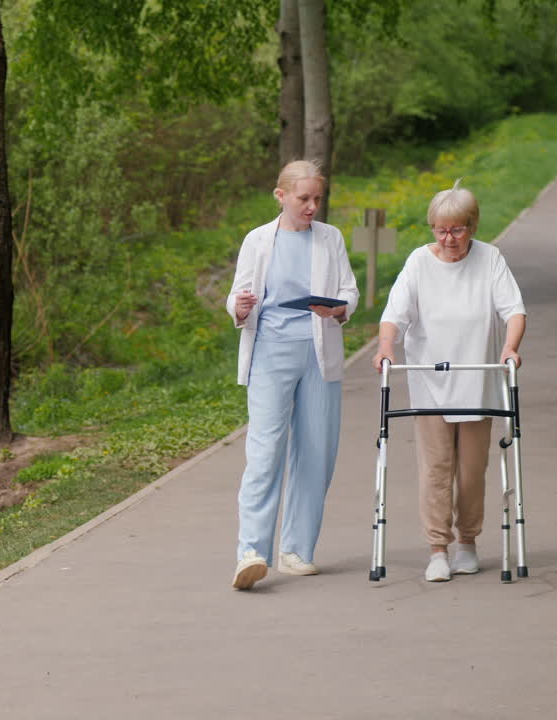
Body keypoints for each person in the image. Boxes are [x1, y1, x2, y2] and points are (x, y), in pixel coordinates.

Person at [372, 181, 527, 582]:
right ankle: (437, 548)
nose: (449, 238)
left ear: (472, 226)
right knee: (436, 469)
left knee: (471, 471)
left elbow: (514, 311)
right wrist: (386, 347)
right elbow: (395, 315)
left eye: (457, 229)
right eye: (441, 229)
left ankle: (468, 542)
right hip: (431, 384)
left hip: (477, 382)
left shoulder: (490, 259)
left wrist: (510, 348)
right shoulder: (418, 264)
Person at [225, 160, 359, 591]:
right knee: (265, 451)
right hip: (271, 351)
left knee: (316, 449)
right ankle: (251, 552)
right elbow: (238, 296)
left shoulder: (330, 238)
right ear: (281, 196)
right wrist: (239, 308)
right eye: (304, 198)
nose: (312, 206)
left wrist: (340, 308)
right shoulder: (258, 240)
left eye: (317, 198)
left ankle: (296, 550)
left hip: (318, 352)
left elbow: (349, 292)